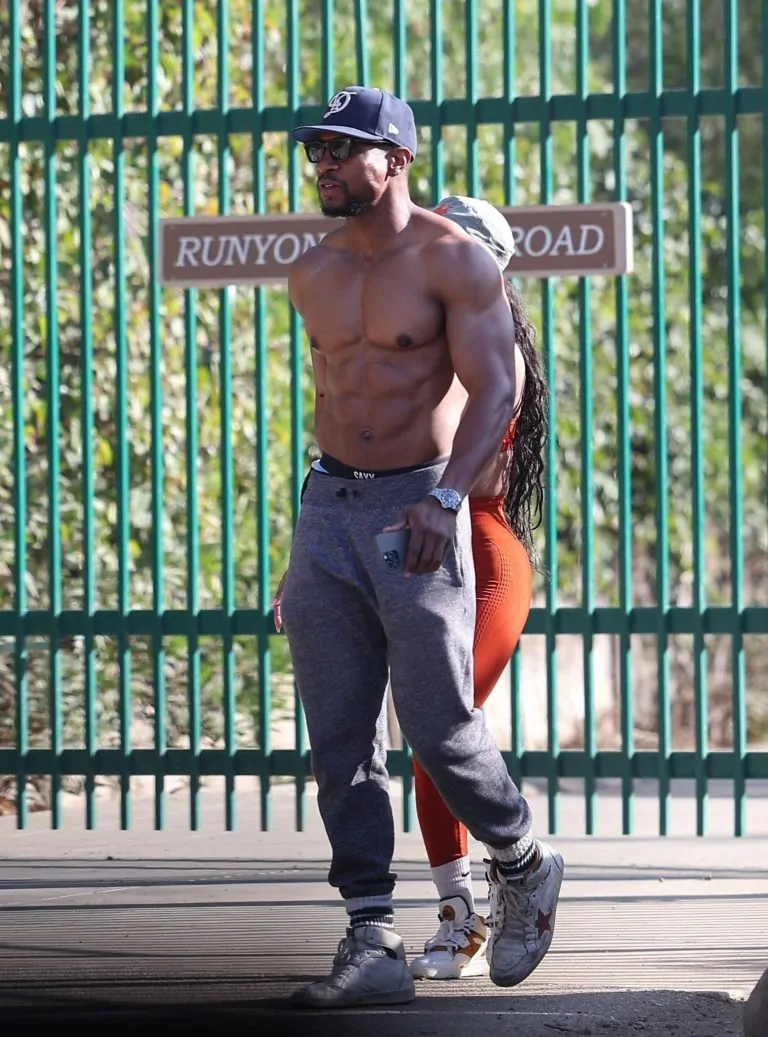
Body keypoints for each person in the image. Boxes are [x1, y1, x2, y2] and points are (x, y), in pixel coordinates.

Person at [277, 85, 564, 1009]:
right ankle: (373, 934)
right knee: (339, 734)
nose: (323, 163)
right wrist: (307, 544)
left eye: (341, 148)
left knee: (437, 721)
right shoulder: (312, 270)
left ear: (396, 158)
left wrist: (444, 495)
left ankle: (521, 858)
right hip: (331, 502)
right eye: (316, 149)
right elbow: (332, 401)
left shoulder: (454, 263)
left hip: (418, 500)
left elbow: (496, 390)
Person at [407, 196, 549, 981]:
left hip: (486, 554)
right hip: (429, 550)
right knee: (427, 735)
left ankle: (521, 870)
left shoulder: (492, 350)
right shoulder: (427, 341)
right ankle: (459, 914)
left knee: (444, 723)